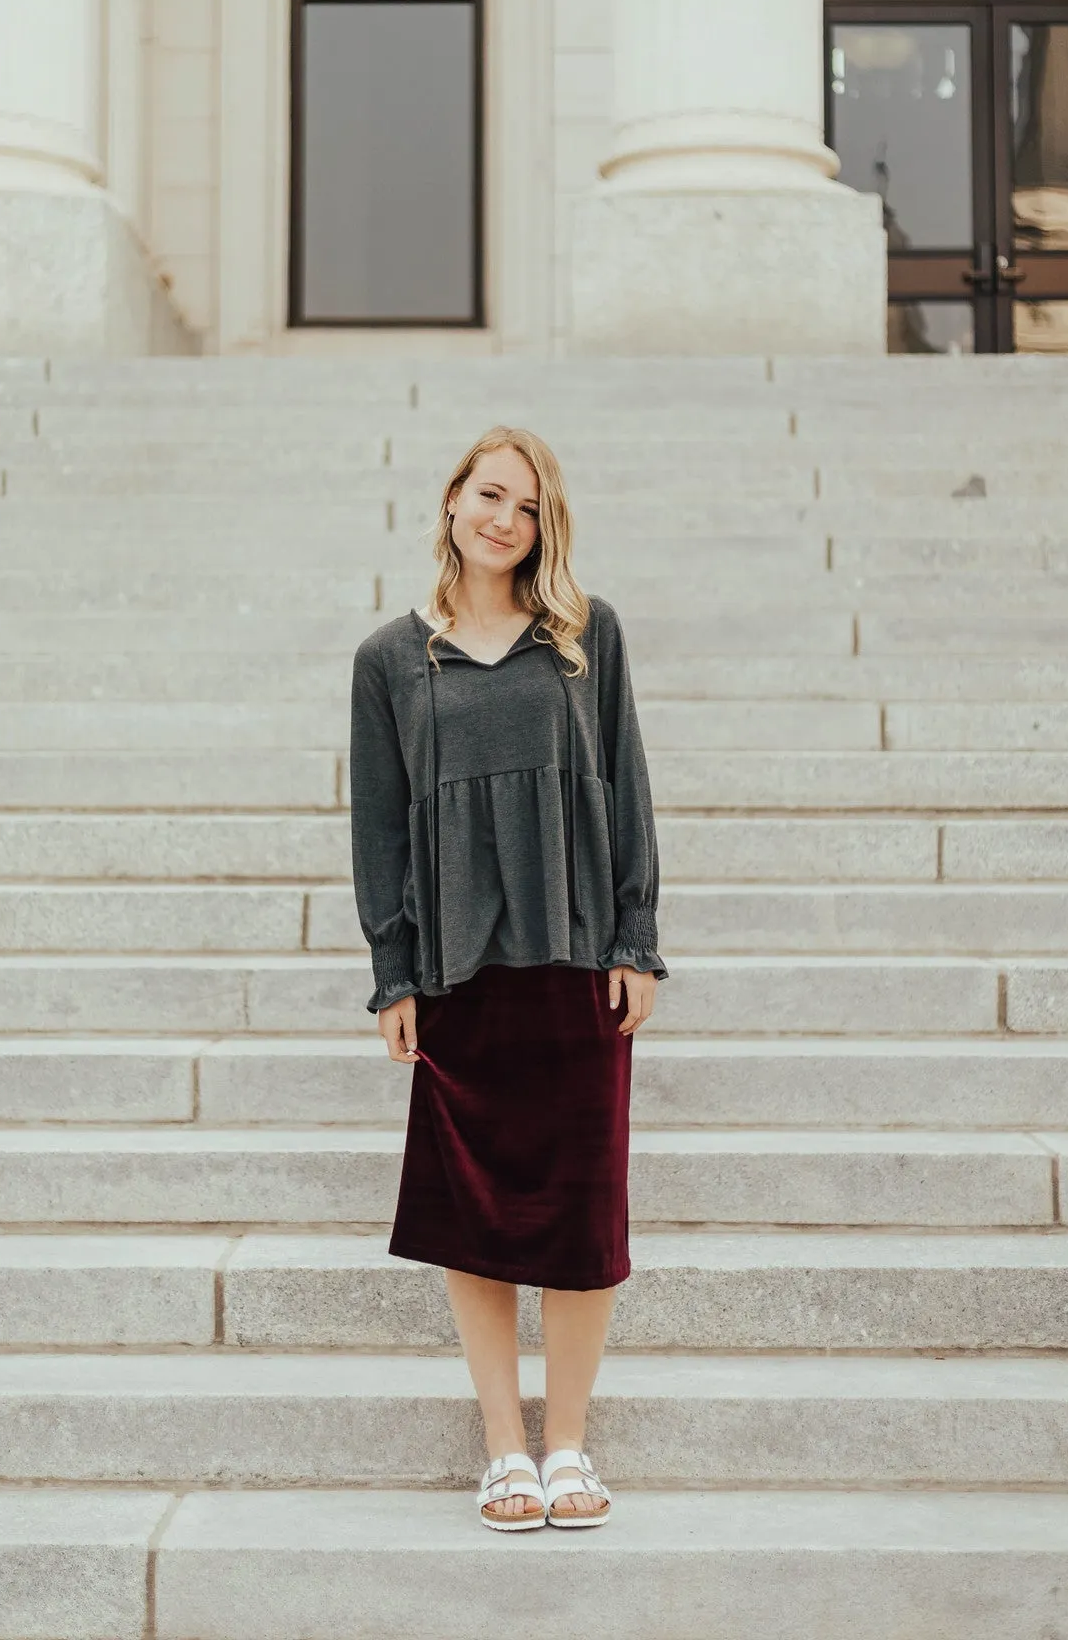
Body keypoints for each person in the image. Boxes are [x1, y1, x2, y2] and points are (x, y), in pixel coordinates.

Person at [348, 424, 666, 1533]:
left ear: (545, 525)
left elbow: (625, 788)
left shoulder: (587, 637)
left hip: (577, 958)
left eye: (526, 507)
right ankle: (503, 1449)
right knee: (471, 1214)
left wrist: (637, 938)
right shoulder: (392, 660)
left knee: (582, 1213)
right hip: (456, 973)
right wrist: (395, 972)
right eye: (489, 494)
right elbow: (380, 826)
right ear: (451, 500)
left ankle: (568, 1439)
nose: (504, 519)